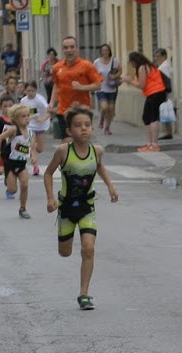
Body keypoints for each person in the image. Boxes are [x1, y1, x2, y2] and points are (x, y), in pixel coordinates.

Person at [43, 105, 118, 310]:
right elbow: (48, 173)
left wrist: (111, 186)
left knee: (88, 248)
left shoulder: (97, 151)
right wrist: (50, 198)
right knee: (65, 252)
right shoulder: (63, 151)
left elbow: (99, 166)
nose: (83, 128)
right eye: (78, 125)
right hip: (67, 208)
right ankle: (65, 242)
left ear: (92, 128)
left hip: (87, 207)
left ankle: (84, 294)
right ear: (69, 130)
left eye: (87, 124)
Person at [51, 38, 101, 141]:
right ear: (62, 50)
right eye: (66, 48)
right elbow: (56, 85)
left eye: (72, 47)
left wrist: (82, 87)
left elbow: (98, 85)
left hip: (82, 111)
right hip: (63, 110)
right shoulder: (57, 67)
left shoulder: (86, 65)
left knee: (81, 141)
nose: (69, 50)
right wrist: (51, 103)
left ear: (77, 49)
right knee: (67, 141)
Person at [0, 104, 34, 218]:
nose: (27, 118)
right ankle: (8, 180)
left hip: (22, 164)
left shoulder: (30, 132)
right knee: (12, 190)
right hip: (10, 163)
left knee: (24, 185)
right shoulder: (14, 130)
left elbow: (31, 146)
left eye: (28, 115)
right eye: (23, 116)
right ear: (16, 119)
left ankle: (22, 208)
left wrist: (33, 156)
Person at [128, 52, 165, 152]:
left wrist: (129, 81)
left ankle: (154, 144)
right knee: (147, 118)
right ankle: (150, 143)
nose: (130, 64)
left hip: (155, 93)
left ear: (135, 61)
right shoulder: (149, 66)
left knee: (152, 118)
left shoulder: (142, 68)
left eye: (131, 62)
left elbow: (141, 85)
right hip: (155, 93)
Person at [20, 81, 49, 174]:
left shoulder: (40, 100)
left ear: (36, 90)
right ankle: (35, 167)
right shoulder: (23, 101)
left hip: (40, 126)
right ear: (25, 91)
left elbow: (49, 111)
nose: (30, 93)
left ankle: (28, 149)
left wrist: (43, 119)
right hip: (29, 126)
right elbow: (21, 112)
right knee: (32, 145)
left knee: (40, 149)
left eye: (32, 91)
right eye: (28, 91)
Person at [92, 44, 119, 133]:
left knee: (111, 109)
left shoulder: (114, 61)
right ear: (101, 52)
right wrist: (97, 77)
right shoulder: (97, 62)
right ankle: (102, 118)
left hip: (112, 88)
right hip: (101, 88)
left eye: (107, 50)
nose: (105, 52)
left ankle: (107, 127)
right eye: (103, 50)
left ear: (109, 51)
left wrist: (115, 76)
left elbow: (120, 70)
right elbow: (92, 73)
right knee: (105, 107)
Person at [155, 49, 175, 139]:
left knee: (166, 111)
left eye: (158, 56)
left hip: (165, 92)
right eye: (155, 56)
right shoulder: (163, 66)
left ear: (164, 56)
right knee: (165, 111)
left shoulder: (164, 67)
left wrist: (165, 93)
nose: (156, 58)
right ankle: (168, 132)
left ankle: (168, 132)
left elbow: (166, 80)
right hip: (164, 92)